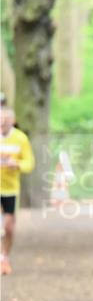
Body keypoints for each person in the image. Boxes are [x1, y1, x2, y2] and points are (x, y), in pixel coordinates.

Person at [1, 102, 35, 275]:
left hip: (11, 189)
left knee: (8, 227)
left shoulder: (20, 138)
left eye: (6, 120)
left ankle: (4, 257)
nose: (3, 123)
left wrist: (18, 164)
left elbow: (29, 163)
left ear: (13, 121)